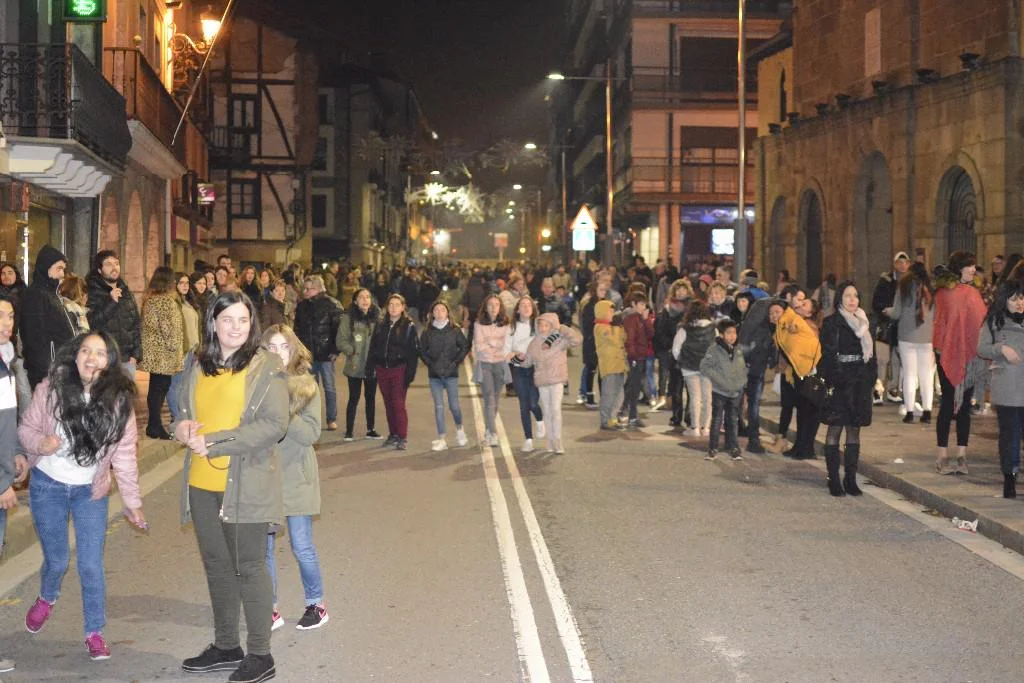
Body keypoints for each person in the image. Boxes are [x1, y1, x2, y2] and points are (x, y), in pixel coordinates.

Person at [173, 290, 287, 682]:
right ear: (213, 323)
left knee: (249, 566)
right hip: (201, 482)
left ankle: (261, 655)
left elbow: (274, 425)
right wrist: (180, 427)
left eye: (242, 319)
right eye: (226, 320)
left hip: (247, 482)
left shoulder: (266, 366)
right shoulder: (197, 362)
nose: (235, 328)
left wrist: (217, 441)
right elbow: (182, 410)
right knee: (217, 566)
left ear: (251, 323)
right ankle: (226, 646)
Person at [20, 330, 145, 661]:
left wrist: (132, 502)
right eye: (86, 351)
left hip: (91, 491)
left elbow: (125, 456)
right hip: (48, 485)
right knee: (58, 560)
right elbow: (26, 429)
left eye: (100, 353)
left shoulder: (119, 402)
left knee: (90, 564)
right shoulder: (51, 389)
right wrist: (40, 443)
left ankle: (94, 632)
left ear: (110, 361)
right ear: (75, 356)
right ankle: (47, 596)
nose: (92, 358)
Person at [261, 324, 328, 632]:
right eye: (271, 347)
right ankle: (269, 608)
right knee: (263, 549)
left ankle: (316, 604)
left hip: (297, 476)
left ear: (293, 349)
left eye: (283, 347)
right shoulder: (255, 384)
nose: (278, 353)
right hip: (265, 478)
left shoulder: (307, 387)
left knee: (301, 545)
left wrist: (285, 412)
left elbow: (311, 433)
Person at [818, 282, 877, 496]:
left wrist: (870, 379)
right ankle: (833, 479)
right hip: (839, 381)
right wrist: (836, 378)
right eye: (847, 295)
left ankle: (850, 479)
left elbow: (871, 355)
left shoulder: (865, 322)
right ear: (839, 299)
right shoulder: (831, 323)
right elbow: (827, 355)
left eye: (855, 295)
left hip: (859, 381)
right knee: (835, 429)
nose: (852, 300)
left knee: (854, 430)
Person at [932, 251, 987, 475]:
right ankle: (942, 455)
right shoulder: (945, 293)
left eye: (974, 266)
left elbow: (981, 323)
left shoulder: (974, 293)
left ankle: (962, 455)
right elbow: (942, 323)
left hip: (969, 356)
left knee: (964, 405)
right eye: (969, 266)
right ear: (959, 268)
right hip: (946, 353)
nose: (973, 269)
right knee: (947, 403)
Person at [0, 295, 26, 674]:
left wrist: (18, 451)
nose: (6, 321)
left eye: (9, 315)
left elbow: (6, 419)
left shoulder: (6, 363)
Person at [885, 262, 935, 424]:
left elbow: (896, 313)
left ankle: (910, 412)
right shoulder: (930, 289)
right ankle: (927, 412)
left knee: (909, 374)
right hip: (926, 337)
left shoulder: (903, 287)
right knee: (926, 374)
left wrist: (888, 311)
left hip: (906, 336)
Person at [367, 294, 419, 450]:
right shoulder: (381, 324)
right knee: (388, 403)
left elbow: (413, 352)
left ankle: (402, 437)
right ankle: (393, 434)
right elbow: (373, 347)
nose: (394, 307)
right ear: (387, 307)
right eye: (391, 304)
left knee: (398, 403)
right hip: (382, 369)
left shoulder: (409, 326)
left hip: (399, 369)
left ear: (403, 308)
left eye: (397, 304)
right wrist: (371, 366)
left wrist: (410, 374)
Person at [775, 290, 823, 459]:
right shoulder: (799, 322)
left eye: (804, 304)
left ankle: (805, 448)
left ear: (810, 312)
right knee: (802, 412)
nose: (800, 305)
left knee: (808, 412)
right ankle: (800, 447)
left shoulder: (809, 326)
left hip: (809, 374)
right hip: (799, 373)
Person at [525, 312, 581, 453]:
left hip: (557, 380)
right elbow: (527, 361)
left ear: (552, 326)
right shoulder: (534, 343)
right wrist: (515, 358)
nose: (543, 328)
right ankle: (549, 441)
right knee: (547, 411)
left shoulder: (559, 340)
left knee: (555, 410)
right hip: (542, 380)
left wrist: (562, 328)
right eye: (540, 325)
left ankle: (557, 440)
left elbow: (576, 340)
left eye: (546, 325)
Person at [138, 267, 184, 440]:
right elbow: (169, 328)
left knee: (155, 389)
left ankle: (153, 425)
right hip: (164, 354)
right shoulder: (165, 301)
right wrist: (175, 346)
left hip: (155, 354)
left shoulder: (151, 299)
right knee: (159, 390)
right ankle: (154, 425)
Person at [419, 301, 470, 451]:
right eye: (436, 310)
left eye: (442, 310)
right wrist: (430, 364)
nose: (439, 312)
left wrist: (455, 362)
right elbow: (421, 350)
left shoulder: (454, 330)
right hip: (434, 375)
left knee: (454, 406)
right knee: (439, 406)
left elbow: (464, 346)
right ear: (432, 314)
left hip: (451, 374)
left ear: (447, 312)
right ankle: (442, 438)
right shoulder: (427, 331)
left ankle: (460, 430)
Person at [294, 275, 343, 431]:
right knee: (308, 388)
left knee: (329, 387)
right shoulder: (302, 306)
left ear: (319, 289)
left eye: (310, 288)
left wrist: (335, 350)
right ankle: (310, 417)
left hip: (326, 353)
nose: (306, 291)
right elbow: (297, 330)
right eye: (305, 288)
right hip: (308, 354)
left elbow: (339, 330)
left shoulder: (332, 304)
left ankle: (331, 418)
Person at [21, 245, 73, 388]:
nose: (62, 274)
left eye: (63, 269)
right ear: (46, 267)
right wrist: (47, 372)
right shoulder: (35, 295)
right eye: (59, 268)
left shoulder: (51, 294)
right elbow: (35, 340)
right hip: (47, 372)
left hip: (59, 368)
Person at [336, 288, 382, 441]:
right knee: (353, 398)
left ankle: (371, 429)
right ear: (355, 301)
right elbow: (341, 340)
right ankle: (349, 431)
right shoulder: (348, 318)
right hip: (355, 364)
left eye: (368, 297)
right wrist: (352, 350)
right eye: (361, 297)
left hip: (372, 365)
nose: (365, 300)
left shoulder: (377, 318)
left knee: (370, 398)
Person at [700, 318, 747, 460]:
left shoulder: (738, 349)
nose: (732, 336)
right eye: (729, 333)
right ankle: (713, 448)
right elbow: (705, 367)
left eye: (734, 333)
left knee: (732, 420)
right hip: (719, 391)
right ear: (721, 334)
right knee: (717, 420)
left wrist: (742, 382)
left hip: (735, 392)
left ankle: (734, 448)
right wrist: (718, 379)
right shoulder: (714, 349)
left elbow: (742, 368)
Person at [872, 251, 911, 402]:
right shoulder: (886, 281)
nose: (902, 265)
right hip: (885, 324)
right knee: (882, 359)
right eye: (899, 262)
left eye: (905, 263)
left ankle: (893, 389)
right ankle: (878, 390)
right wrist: (886, 311)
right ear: (894, 264)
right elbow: (876, 302)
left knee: (896, 359)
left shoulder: (910, 282)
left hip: (901, 325)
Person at [673, 301, 716, 438]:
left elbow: (676, 348)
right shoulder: (713, 328)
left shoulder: (685, 329)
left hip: (690, 367)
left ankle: (694, 427)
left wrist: (682, 360)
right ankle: (706, 428)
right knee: (708, 398)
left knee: (694, 397)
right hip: (708, 367)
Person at [472, 295, 511, 446]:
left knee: (495, 399)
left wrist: (490, 342)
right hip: (485, 365)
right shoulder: (479, 324)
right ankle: (493, 434)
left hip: (500, 364)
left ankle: (488, 430)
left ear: (500, 307)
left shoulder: (506, 324)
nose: (494, 308)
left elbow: (506, 346)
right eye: (490, 305)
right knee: (489, 399)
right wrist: (496, 344)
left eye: (496, 304)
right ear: (485, 307)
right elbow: (479, 346)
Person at [508, 296, 544, 451]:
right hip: (518, 369)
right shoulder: (511, 327)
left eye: (529, 305)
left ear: (533, 308)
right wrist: (517, 355)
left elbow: (547, 344)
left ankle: (540, 420)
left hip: (536, 369)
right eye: (523, 305)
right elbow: (506, 351)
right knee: (524, 405)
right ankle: (528, 439)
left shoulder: (539, 325)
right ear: (517, 310)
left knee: (533, 403)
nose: (526, 307)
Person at [623, 292, 655, 428]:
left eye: (644, 305)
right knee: (633, 386)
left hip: (641, 356)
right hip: (635, 357)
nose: (643, 307)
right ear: (633, 304)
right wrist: (633, 356)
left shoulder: (641, 318)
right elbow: (629, 340)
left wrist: (646, 320)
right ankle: (630, 415)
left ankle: (626, 412)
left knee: (633, 386)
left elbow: (651, 334)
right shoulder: (631, 319)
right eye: (641, 304)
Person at [594, 300, 627, 430]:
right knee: (609, 394)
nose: (612, 313)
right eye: (610, 311)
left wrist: (619, 327)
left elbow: (623, 338)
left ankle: (612, 418)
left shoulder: (612, 326)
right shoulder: (600, 327)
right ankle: (605, 420)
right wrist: (617, 327)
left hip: (619, 364)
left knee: (619, 395)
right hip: (609, 366)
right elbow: (614, 341)